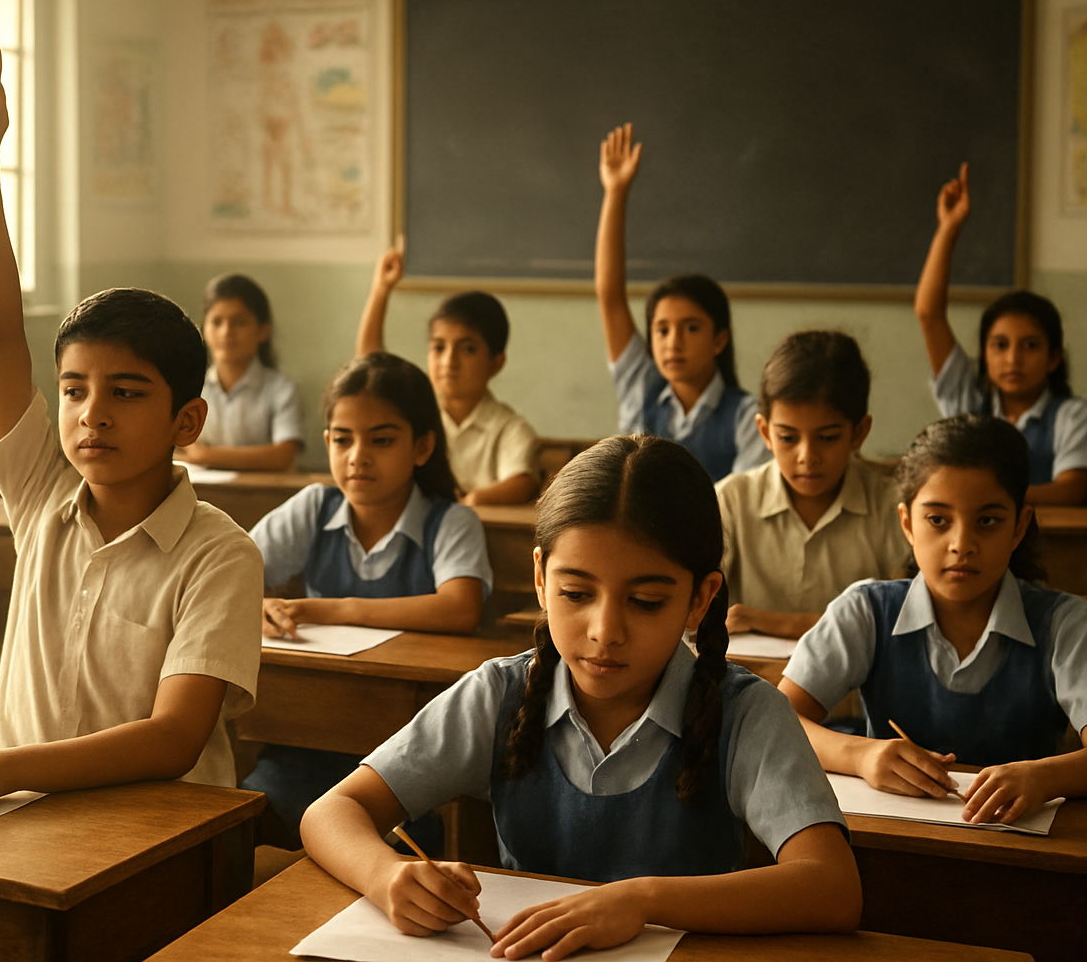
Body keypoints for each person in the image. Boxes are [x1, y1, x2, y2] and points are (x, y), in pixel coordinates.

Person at [0, 39, 262, 827]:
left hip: (161, 831)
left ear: (188, 420)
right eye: (74, 390)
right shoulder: (43, 492)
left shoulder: (220, 555)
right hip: (25, 814)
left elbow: (175, 738)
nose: (90, 413)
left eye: (126, 392)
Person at [301, 436, 860, 960]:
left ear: (700, 599)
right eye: (576, 593)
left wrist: (641, 901)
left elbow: (832, 887)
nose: (604, 630)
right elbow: (330, 811)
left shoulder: (746, 714)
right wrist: (385, 874)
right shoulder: (499, 694)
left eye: (644, 601)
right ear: (542, 579)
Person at [780, 414, 1087, 825]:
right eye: (937, 520)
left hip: (1017, 852)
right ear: (907, 523)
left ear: (1019, 527)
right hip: (893, 841)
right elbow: (780, 717)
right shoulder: (866, 610)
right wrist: (861, 754)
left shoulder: (1066, 624)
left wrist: (1045, 776)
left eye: (987, 521)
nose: (961, 545)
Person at [243, 352, 493, 842]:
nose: (358, 456)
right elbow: (226, 573)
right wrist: (258, 604)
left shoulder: (451, 521)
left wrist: (324, 608)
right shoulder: (315, 506)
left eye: (381, 440)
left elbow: (460, 606)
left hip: (406, 754)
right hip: (307, 734)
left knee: (413, 837)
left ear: (422, 447)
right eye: (342, 439)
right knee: (255, 811)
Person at [913, 163, 1087, 504]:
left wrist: (987, 500)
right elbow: (929, 314)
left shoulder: (1073, 415)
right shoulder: (969, 403)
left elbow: (1070, 491)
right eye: (999, 345)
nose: (1013, 358)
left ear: (1054, 358)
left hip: (1051, 551)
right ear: (984, 354)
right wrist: (949, 229)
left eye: (1030, 346)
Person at [594, 123, 768, 480]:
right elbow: (610, 296)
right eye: (661, 330)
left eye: (691, 328)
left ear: (720, 339)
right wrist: (615, 192)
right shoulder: (641, 387)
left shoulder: (748, 416)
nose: (673, 341)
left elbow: (739, 514)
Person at [717, 331, 905, 639]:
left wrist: (766, 621)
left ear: (859, 433)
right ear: (764, 432)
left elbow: (902, 620)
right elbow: (687, 610)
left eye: (828, 438)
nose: (807, 457)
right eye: (788, 438)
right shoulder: (730, 502)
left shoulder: (894, 509)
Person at [356, 240, 540, 505]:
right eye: (439, 348)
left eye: (467, 349)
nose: (448, 361)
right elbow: (371, 367)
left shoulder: (510, 429)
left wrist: (470, 502)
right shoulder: (416, 411)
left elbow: (522, 483)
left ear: (496, 363)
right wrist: (381, 290)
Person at [177, 272, 304, 471]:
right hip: (203, 493)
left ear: (263, 331)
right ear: (204, 330)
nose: (226, 332)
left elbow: (283, 455)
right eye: (216, 322)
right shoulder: (189, 386)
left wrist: (205, 454)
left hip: (265, 497)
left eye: (239, 322)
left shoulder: (281, 389)